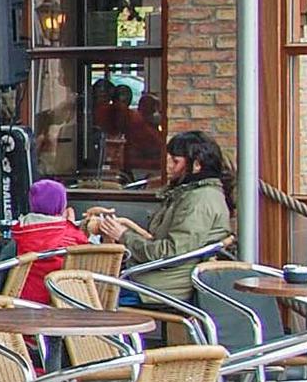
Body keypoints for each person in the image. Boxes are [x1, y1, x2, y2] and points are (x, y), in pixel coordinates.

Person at [86, 129, 233, 302]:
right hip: (154, 278)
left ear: (197, 165)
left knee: (87, 296)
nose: (169, 166)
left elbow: (170, 253)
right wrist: (122, 230)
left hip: (159, 286)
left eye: (175, 161)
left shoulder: (200, 200)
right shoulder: (189, 194)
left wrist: (123, 235)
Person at [8, 179, 90, 307]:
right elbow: (88, 255)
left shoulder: (20, 232)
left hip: (23, 301)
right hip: (65, 301)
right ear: (62, 204)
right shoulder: (72, 235)